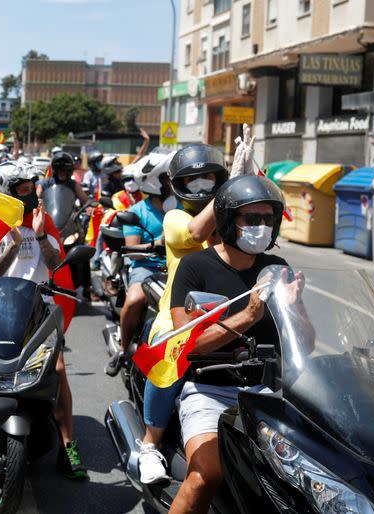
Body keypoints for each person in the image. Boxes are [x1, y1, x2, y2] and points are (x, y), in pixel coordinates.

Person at [168, 174, 291, 514]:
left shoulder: (277, 267)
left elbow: (304, 344)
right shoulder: (195, 267)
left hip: (266, 393)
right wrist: (248, 316)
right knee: (205, 475)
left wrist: (296, 309)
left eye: (268, 218)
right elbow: (187, 343)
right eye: (252, 218)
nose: (262, 226)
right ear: (227, 220)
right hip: (210, 391)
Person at [129, 143, 230, 485]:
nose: (203, 187)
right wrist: (225, 191)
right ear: (178, 186)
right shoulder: (176, 217)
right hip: (179, 316)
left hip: (231, 312)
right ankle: (150, 444)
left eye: (209, 179)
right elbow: (197, 232)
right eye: (194, 181)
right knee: (168, 357)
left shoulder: (232, 217)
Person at [0, 160, 89, 481]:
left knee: (58, 370)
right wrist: (13, 242)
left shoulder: (40, 222)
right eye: (25, 189)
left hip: (40, 309)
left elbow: (56, 262)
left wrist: (41, 234)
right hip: (0, 308)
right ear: (8, 192)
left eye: (33, 188)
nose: (33, 195)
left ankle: (68, 445)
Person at [104, 152, 174, 376]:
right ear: (155, 181)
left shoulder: (184, 207)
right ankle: (124, 350)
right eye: (167, 177)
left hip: (179, 265)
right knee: (135, 300)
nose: (174, 181)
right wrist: (157, 243)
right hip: (149, 267)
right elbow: (132, 251)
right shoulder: (137, 212)